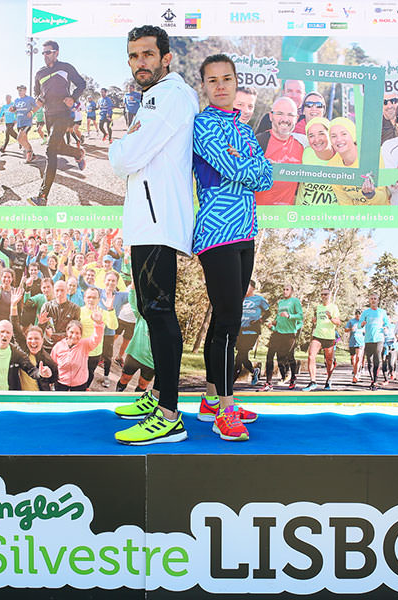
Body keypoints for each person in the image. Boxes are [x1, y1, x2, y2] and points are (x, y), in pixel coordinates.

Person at [108, 25, 198, 445]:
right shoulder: (158, 97)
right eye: (133, 56)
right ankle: (158, 394)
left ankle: (169, 417)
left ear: (166, 58)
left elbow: (125, 158)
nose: (139, 62)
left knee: (159, 313)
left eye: (147, 54)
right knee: (150, 308)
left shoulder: (167, 96)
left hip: (158, 221)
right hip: (150, 220)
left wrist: (122, 142)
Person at [187, 54, 273, 439]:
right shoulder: (203, 124)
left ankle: (209, 400)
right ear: (203, 86)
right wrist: (244, 166)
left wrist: (244, 163)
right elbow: (240, 170)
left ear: (237, 83)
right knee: (226, 321)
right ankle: (225, 410)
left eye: (227, 79)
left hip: (245, 232)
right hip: (216, 233)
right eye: (212, 80)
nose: (220, 86)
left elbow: (266, 176)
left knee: (229, 320)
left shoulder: (245, 130)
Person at [29, 40, 87, 206]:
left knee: (50, 150)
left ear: (56, 53)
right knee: (59, 147)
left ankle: (42, 196)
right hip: (49, 115)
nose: (45, 55)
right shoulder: (39, 73)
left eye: (48, 52)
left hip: (63, 114)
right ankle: (78, 154)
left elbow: (81, 83)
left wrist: (73, 97)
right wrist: (37, 101)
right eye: (43, 52)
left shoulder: (65, 67)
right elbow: (37, 94)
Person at [0, 319, 53, 391]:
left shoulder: (16, 352)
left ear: (11, 334)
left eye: (8, 332)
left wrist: (40, 373)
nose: (5, 335)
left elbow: (31, 370)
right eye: (2, 331)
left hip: (9, 397)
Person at [327, 117, 390, 205]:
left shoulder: (372, 155)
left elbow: (383, 198)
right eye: (333, 136)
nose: (338, 139)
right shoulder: (333, 166)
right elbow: (344, 203)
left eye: (344, 134)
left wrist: (371, 194)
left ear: (352, 135)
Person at [255, 97, 304, 206]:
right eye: (280, 114)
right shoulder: (257, 143)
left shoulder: (301, 147)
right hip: (260, 217)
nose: (285, 119)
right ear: (271, 116)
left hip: (286, 218)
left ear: (296, 118)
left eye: (290, 115)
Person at [263, 284, 303, 392]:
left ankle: (293, 378)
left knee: (288, 357)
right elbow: (278, 317)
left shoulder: (295, 301)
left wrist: (289, 315)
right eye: (283, 289)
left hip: (289, 334)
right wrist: (273, 324)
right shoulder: (280, 303)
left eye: (287, 290)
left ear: (291, 291)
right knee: (269, 355)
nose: (285, 291)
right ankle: (268, 383)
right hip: (278, 332)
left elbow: (300, 316)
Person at [51, 313, 105, 391]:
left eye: (77, 333)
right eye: (71, 332)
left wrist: (98, 324)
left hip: (79, 384)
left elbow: (96, 338)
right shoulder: (58, 346)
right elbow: (53, 364)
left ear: (81, 334)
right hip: (61, 383)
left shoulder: (85, 345)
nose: (74, 336)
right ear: (67, 332)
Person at [302, 288, 342, 391]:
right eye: (322, 295)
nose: (324, 296)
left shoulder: (334, 307)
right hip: (318, 336)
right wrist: (314, 321)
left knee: (329, 361)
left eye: (326, 294)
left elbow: (338, 322)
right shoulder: (319, 307)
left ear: (330, 295)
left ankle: (329, 379)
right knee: (311, 356)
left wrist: (330, 318)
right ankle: (313, 381)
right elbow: (317, 320)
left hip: (329, 337)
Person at [295, 117, 337, 205]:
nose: (317, 140)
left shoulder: (341, 157)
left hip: (330, 216)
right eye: (311, 136)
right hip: (302, 214)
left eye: (321, 134)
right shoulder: (304, 153)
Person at [234, 280, 269, 385]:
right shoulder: (240, 299)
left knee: (240, 355)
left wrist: (260, 320)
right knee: (242, 355)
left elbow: (268, 311)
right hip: (240, 331)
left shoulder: (259, 299)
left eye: (248, 286)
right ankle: (254, 371)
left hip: (252, 331)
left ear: (253, 288)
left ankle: (230, 382)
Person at [359, 293, 391, 391]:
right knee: (369, 361)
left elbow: (387, 324)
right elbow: (360, 325)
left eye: (375, 299)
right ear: (369, 301)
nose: (373, 300)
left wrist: (386, 327)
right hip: (368, 339)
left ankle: (375, 381)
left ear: (378, 300)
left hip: (379, 339)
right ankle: (372, 379)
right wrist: (362, 324)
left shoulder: (382, 312)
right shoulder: (365, 312)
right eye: (371, 299)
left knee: (377, 359)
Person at [41, 278, 81, 346]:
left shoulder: (75, 309)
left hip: (66, 345)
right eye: (57, 290)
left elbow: (75, 331)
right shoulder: (47, 306)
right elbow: (41, 327)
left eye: (62, 290)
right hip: (48, 345)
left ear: (67, 291)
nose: (59, 293)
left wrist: (54, 335)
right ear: (53, 291)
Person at [13, 85, 38, 163]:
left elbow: (37, 107)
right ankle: (31, 155)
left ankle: (30, 152)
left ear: (25, 90)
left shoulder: (30, 99)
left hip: (27, 122)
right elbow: (15, 109)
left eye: (21, 90)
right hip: (19, 123)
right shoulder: (16, 100)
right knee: (24, 139)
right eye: (18, 90)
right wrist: (12, 110)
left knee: (19, 139)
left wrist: (31, 112)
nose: (19, 92)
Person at [344, 308, 365, 384]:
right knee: (353, 359)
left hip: (360, 342)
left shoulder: (364, 322)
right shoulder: (351, 321)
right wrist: (350, 329)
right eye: (356, 314)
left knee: (358, 358)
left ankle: (355, 376)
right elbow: (345, 330)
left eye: (359, 314)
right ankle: (355, 369)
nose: (358, 315)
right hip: (352, 342)